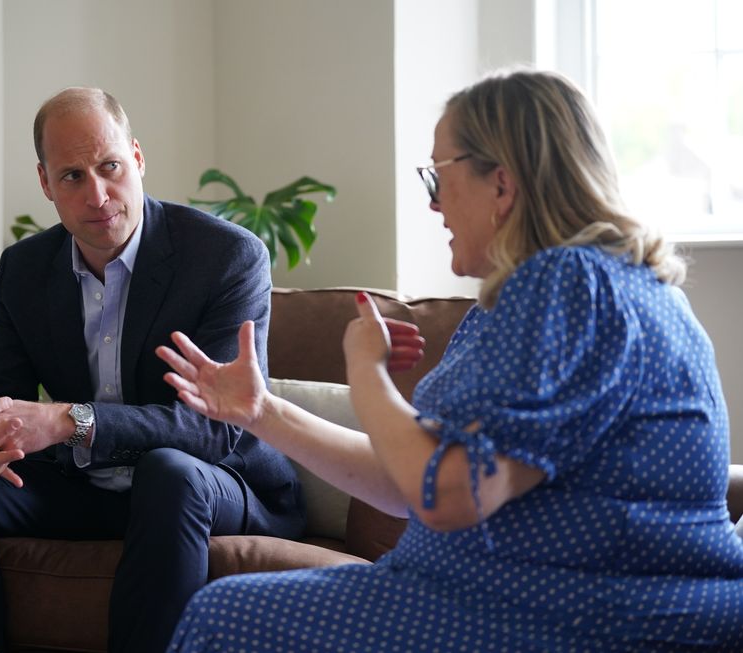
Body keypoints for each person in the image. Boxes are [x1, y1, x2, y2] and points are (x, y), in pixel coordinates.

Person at [156, 69, 743, 652]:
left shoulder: (567, 288)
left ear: (502, 185)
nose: (433, 202)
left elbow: (445, 496)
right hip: (533, 596)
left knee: (224, 620)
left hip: (573, 612)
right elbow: (412, 483)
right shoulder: (585, 289)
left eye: (439, 175)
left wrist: (366, 374)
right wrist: (262, 412)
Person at [0, 87, 303, 653]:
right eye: (72, 177)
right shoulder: (24, 269)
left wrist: (70, 420)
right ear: (45, 184)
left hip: (217, 479)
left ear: (136, 157)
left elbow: (215, 427)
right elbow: (0, 400)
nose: (98, 194)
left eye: (109, 167)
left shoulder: (225, 257)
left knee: (169, 471)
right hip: (84, 486)